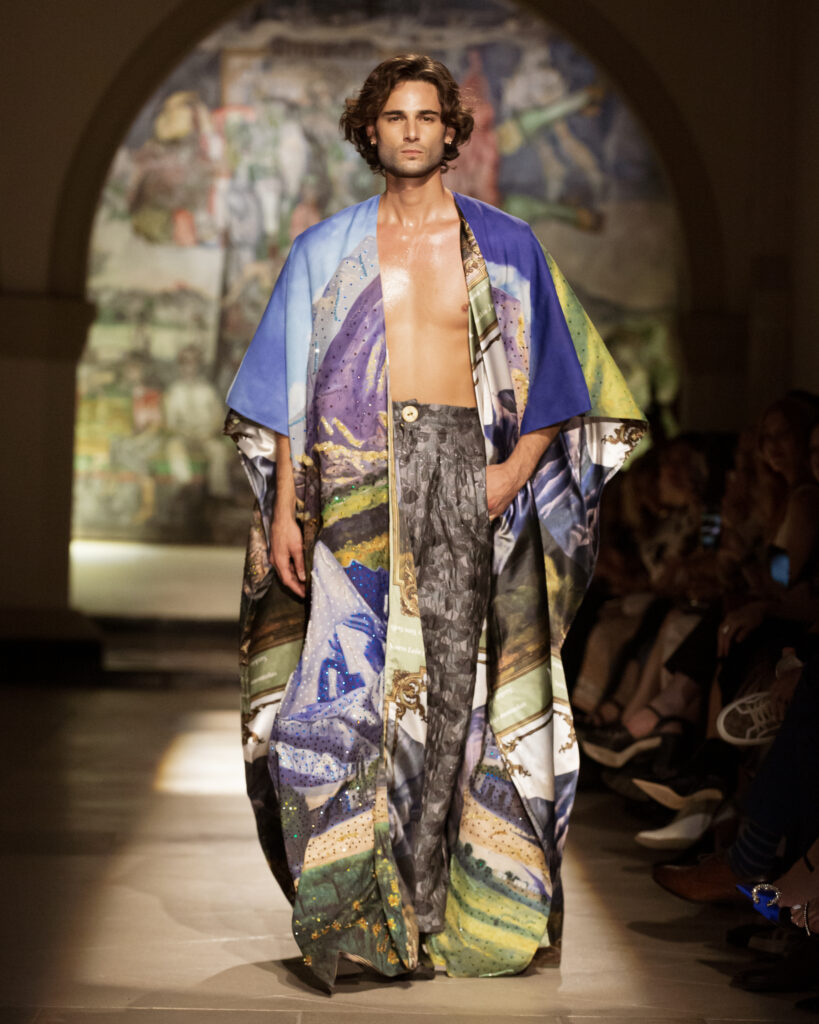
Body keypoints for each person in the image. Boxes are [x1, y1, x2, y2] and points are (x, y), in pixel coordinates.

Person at [224, 54, 644, 988]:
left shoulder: (506, 244)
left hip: (464, 476)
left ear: (451, 131)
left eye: (426, 116)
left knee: (454, 696)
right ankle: (355, 912)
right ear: (368, 131)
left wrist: (510, 475)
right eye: (393, 116)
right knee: (339, 701)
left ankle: (430, 911)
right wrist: (287, 509)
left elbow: (561, 381)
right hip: (350, 487)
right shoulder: (322, 248)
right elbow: (284, 394)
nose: (410, 130)